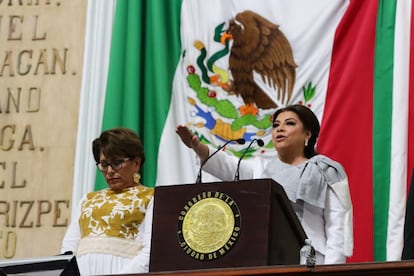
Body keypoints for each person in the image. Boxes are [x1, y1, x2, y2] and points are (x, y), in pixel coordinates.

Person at [176, 104, 353, 264]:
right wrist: (198, 147)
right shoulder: (262, 169)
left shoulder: (324, 170)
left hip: (309, 263)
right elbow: (227, 166)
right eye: (276, 125)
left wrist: (331, 270)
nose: (280, 129)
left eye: (289, 123)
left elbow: (336, 227)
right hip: (265, 260)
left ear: (307, 134)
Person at [61, 127, 154, 275]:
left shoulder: (151, 197)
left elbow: (151, 252)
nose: (109, 171)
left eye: (117, 163)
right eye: (104, 165)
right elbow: (69, 249)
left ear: (136, 163)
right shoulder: (88, 200)